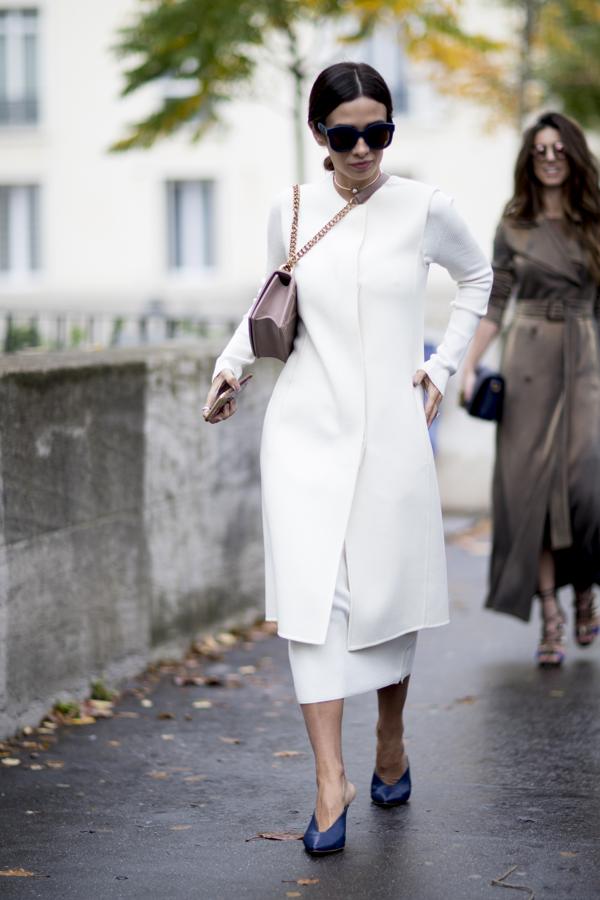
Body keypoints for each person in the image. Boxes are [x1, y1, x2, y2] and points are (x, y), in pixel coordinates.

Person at [204, 61, 492, 854]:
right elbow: (271, 303)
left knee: (387, 593)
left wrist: (441, 367)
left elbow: (478, 278)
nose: (363, 148)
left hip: (393, 433)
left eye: (378, 132)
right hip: (303, 431)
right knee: (311, 599)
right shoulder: (292, 209)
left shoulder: (425, 207)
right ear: (318, 136)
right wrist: (231, 367)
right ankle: (329, 779)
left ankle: (390, 737)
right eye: (346, 134)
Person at [462, 111, 600, 668]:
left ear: (573, 155)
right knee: (529, 495)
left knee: (587, 486)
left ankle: (586, 588)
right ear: (529, 158)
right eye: (539, 150)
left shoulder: (594, 220)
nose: (548, 158)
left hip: (586, 357)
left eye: (558, 149)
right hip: (526, 363)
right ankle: (551, 615)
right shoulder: (514, 222)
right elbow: (496, 301)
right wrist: (468, 364)